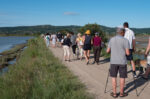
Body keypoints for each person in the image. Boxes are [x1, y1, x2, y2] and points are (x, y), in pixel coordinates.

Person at [107, 27, 130, 98]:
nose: (125, 33)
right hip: (122, 61)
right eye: (124, 32)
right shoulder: (126, 40)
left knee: (113, 77)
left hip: (113, 61)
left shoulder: (111, 39)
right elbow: (127, 53)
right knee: (122, 77)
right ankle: (121, 93)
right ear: (122, 32)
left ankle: (114, 94)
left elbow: (107, 51)